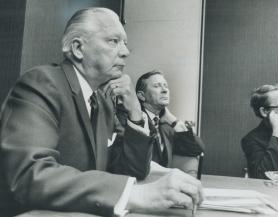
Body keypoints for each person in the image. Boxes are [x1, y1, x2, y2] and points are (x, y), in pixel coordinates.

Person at [0, 8, 203, 216]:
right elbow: (29, 176)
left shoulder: (104, 101)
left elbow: (132, 170)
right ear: (78, 48)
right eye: (113, 41)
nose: (125, 51)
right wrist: (135, 195)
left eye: (124, 43)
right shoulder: (42, 83)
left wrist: (135, 111)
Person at [131, 70, 204, 169]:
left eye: (165, 86)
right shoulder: (132, 121)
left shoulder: (167, 126)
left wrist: (174, 122)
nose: (164, 90)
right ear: (142, 96)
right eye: (157, 86)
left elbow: (196, 150)